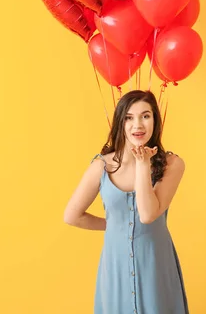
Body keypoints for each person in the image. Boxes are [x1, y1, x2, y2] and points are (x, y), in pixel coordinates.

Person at [64, 89, 188, 314]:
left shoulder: (173, 164)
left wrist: (143, 164)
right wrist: (114, 225)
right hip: (115, 265)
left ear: (155, 121)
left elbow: (148, 215)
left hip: (155, 263)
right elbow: (71, 216)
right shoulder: (102, 166)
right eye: (129, 117)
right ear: (120, 122)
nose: (137, 124)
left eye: (145, 116)